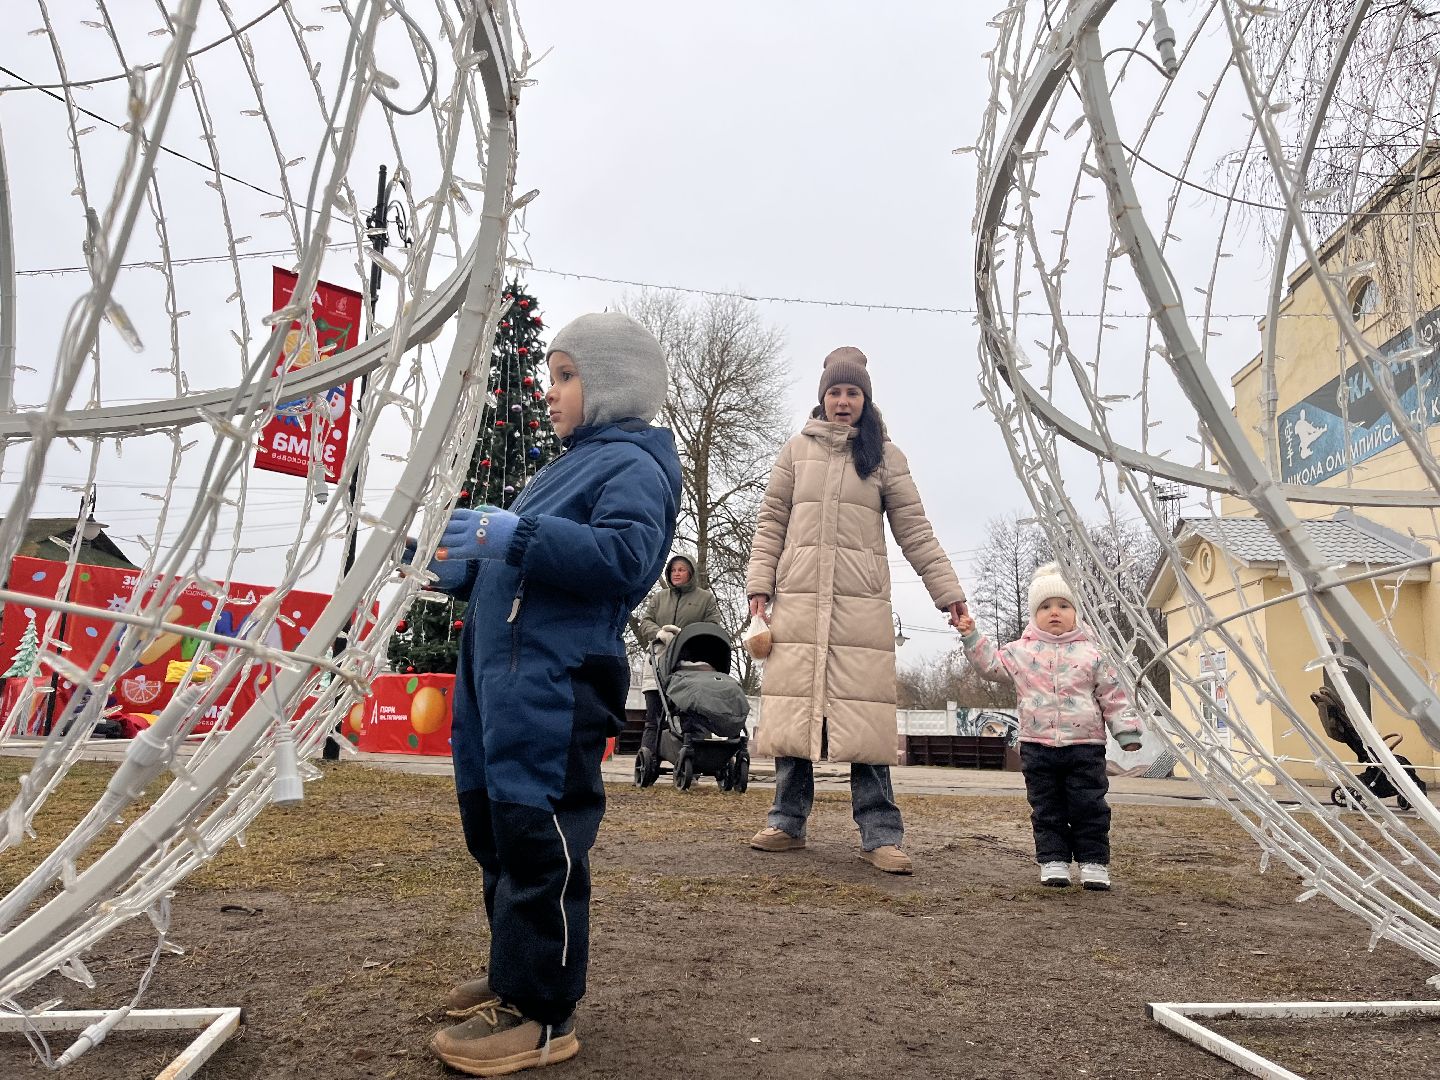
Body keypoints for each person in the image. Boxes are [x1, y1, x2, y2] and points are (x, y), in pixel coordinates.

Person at [410, 312, 679, 1075]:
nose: (549, 390)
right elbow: (511, 564)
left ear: (613, 384)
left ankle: (541, 1013)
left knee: (541, 843)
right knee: (495, 834)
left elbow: (624, 557)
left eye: (566, 376)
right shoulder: (561, 467)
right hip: (499, 688)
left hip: (556, 687)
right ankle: (512, 973)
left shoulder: (633, 466)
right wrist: (452, 562)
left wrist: (514, 535)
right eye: (551, 375)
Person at [745, 346, 967, 875]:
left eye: (853, 393)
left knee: (865, 721)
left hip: (860, 607)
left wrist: (949, 594)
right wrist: (760, 585)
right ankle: (786, 822)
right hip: (797, 601)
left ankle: (881, 834)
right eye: (835, 392)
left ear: (866, 399)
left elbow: (915, 530)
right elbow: (771, 521)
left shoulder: (886, 457)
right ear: (822, 397)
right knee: (795, 713)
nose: (844, 401)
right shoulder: (795, 451)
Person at [955, 562, 1143, 891]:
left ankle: (1093, 862)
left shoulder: (1093, 654)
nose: (1054, 612)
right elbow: (990, 666)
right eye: (1045, 606)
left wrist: (1125, 730)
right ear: (1033, 614)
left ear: (1076, 613)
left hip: (1085, 746)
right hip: (1037, 746)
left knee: (1089, 805)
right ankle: (1053, 859)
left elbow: (1113, 693)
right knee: (1046, 807)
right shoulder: (1021, 652)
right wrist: (972, 635)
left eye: (1063, 605)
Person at [636, 554, 722, 760]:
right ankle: (648, 760)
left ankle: (694, 760)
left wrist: (689, 637)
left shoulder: (705, 599)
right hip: (658, 663)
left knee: (690, 717)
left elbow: (713, 625)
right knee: (653, 718)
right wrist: (658, 633)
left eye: (681, 569)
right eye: (674, 570)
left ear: (690, 573)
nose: (677, 573)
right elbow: (645, 622)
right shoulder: (659, 598)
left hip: (689, 666)